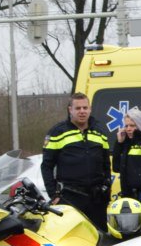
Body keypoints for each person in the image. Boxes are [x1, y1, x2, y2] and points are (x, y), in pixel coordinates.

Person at [41, 93, 112, 232]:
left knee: (100, 238)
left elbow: (106, 164)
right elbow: (47, 166)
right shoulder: (57, 132)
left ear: (90, 109)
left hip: (96, 199)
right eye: (78, 108)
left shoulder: (99, 131)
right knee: (74, 237)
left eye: (85, 107)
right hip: (70, 197)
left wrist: (107, 188)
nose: (82, 111)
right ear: (70, 110)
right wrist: (53, 195)